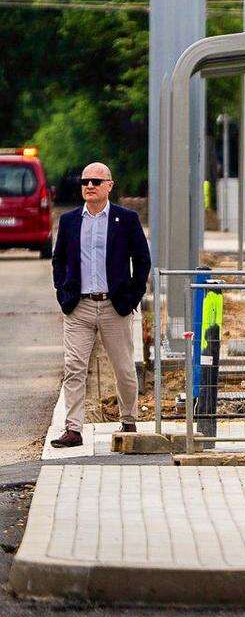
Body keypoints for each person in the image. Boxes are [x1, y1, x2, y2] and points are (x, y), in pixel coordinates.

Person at [48, 162, 150, 446]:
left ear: (109, 186)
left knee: (123, 368)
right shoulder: (69, 221)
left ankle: (128, 420)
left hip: (113, 307)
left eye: (95, 181)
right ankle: (73, 429)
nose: (89, 186)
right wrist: (62, 293)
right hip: (78, 307)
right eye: (85, 182)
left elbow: (142, 261)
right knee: (74, 366)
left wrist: (132, 297)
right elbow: (59, 260)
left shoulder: (125, 219)